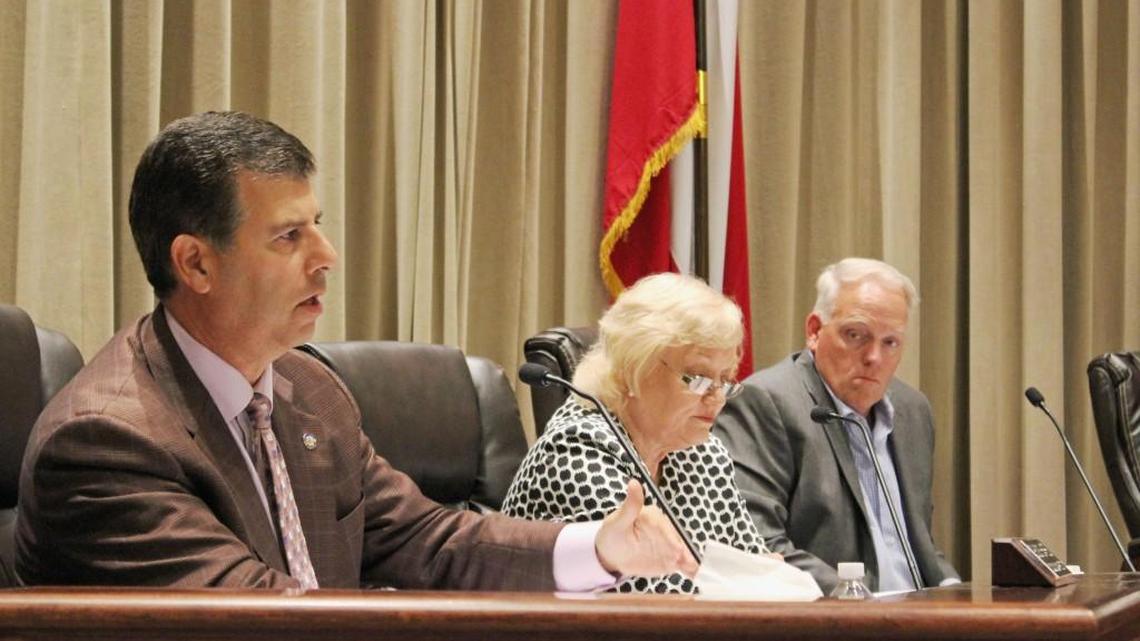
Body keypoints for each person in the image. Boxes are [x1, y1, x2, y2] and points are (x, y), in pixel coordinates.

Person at [15, 111, 696, 589]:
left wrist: (598, 547)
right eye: (288, 237)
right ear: (196, 263)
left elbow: (423, 539)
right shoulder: (107, 442)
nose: (326, 256)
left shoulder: (308, 393)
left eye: (317, 225)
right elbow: (253, 616)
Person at [502, 273, 770, 594]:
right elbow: (642, 596)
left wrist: (764, 579)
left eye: (725, 381)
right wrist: (748, 585)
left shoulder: (704, 452)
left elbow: (757, 569)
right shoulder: (576, 449)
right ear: (632, 370)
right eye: (697, 378)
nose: (716, 399)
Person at [713, 257, 959, 593]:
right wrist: (860, 600)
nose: (874, 357)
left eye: (890, 342)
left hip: (921, 610)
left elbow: (916, 544)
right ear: (814, 331)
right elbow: (758, 543)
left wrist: (952, 589)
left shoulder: (912, 410)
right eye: (855, 335)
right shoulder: (767, 402)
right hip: (835, 613)